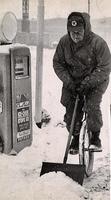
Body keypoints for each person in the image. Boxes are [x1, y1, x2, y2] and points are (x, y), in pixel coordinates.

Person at [53, 12, 111, 154]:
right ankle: (76, 136)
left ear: (86, 29)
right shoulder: (64, 43)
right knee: (70, 107)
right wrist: (69, 81)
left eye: (78, 32)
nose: (75, 35)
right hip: (72, 81)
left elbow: (105, 67)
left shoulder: (98, 43)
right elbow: (58, 64)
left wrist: (87, 83)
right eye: (72, 32)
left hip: (96, 81)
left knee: (92, 105)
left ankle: (95, 138)